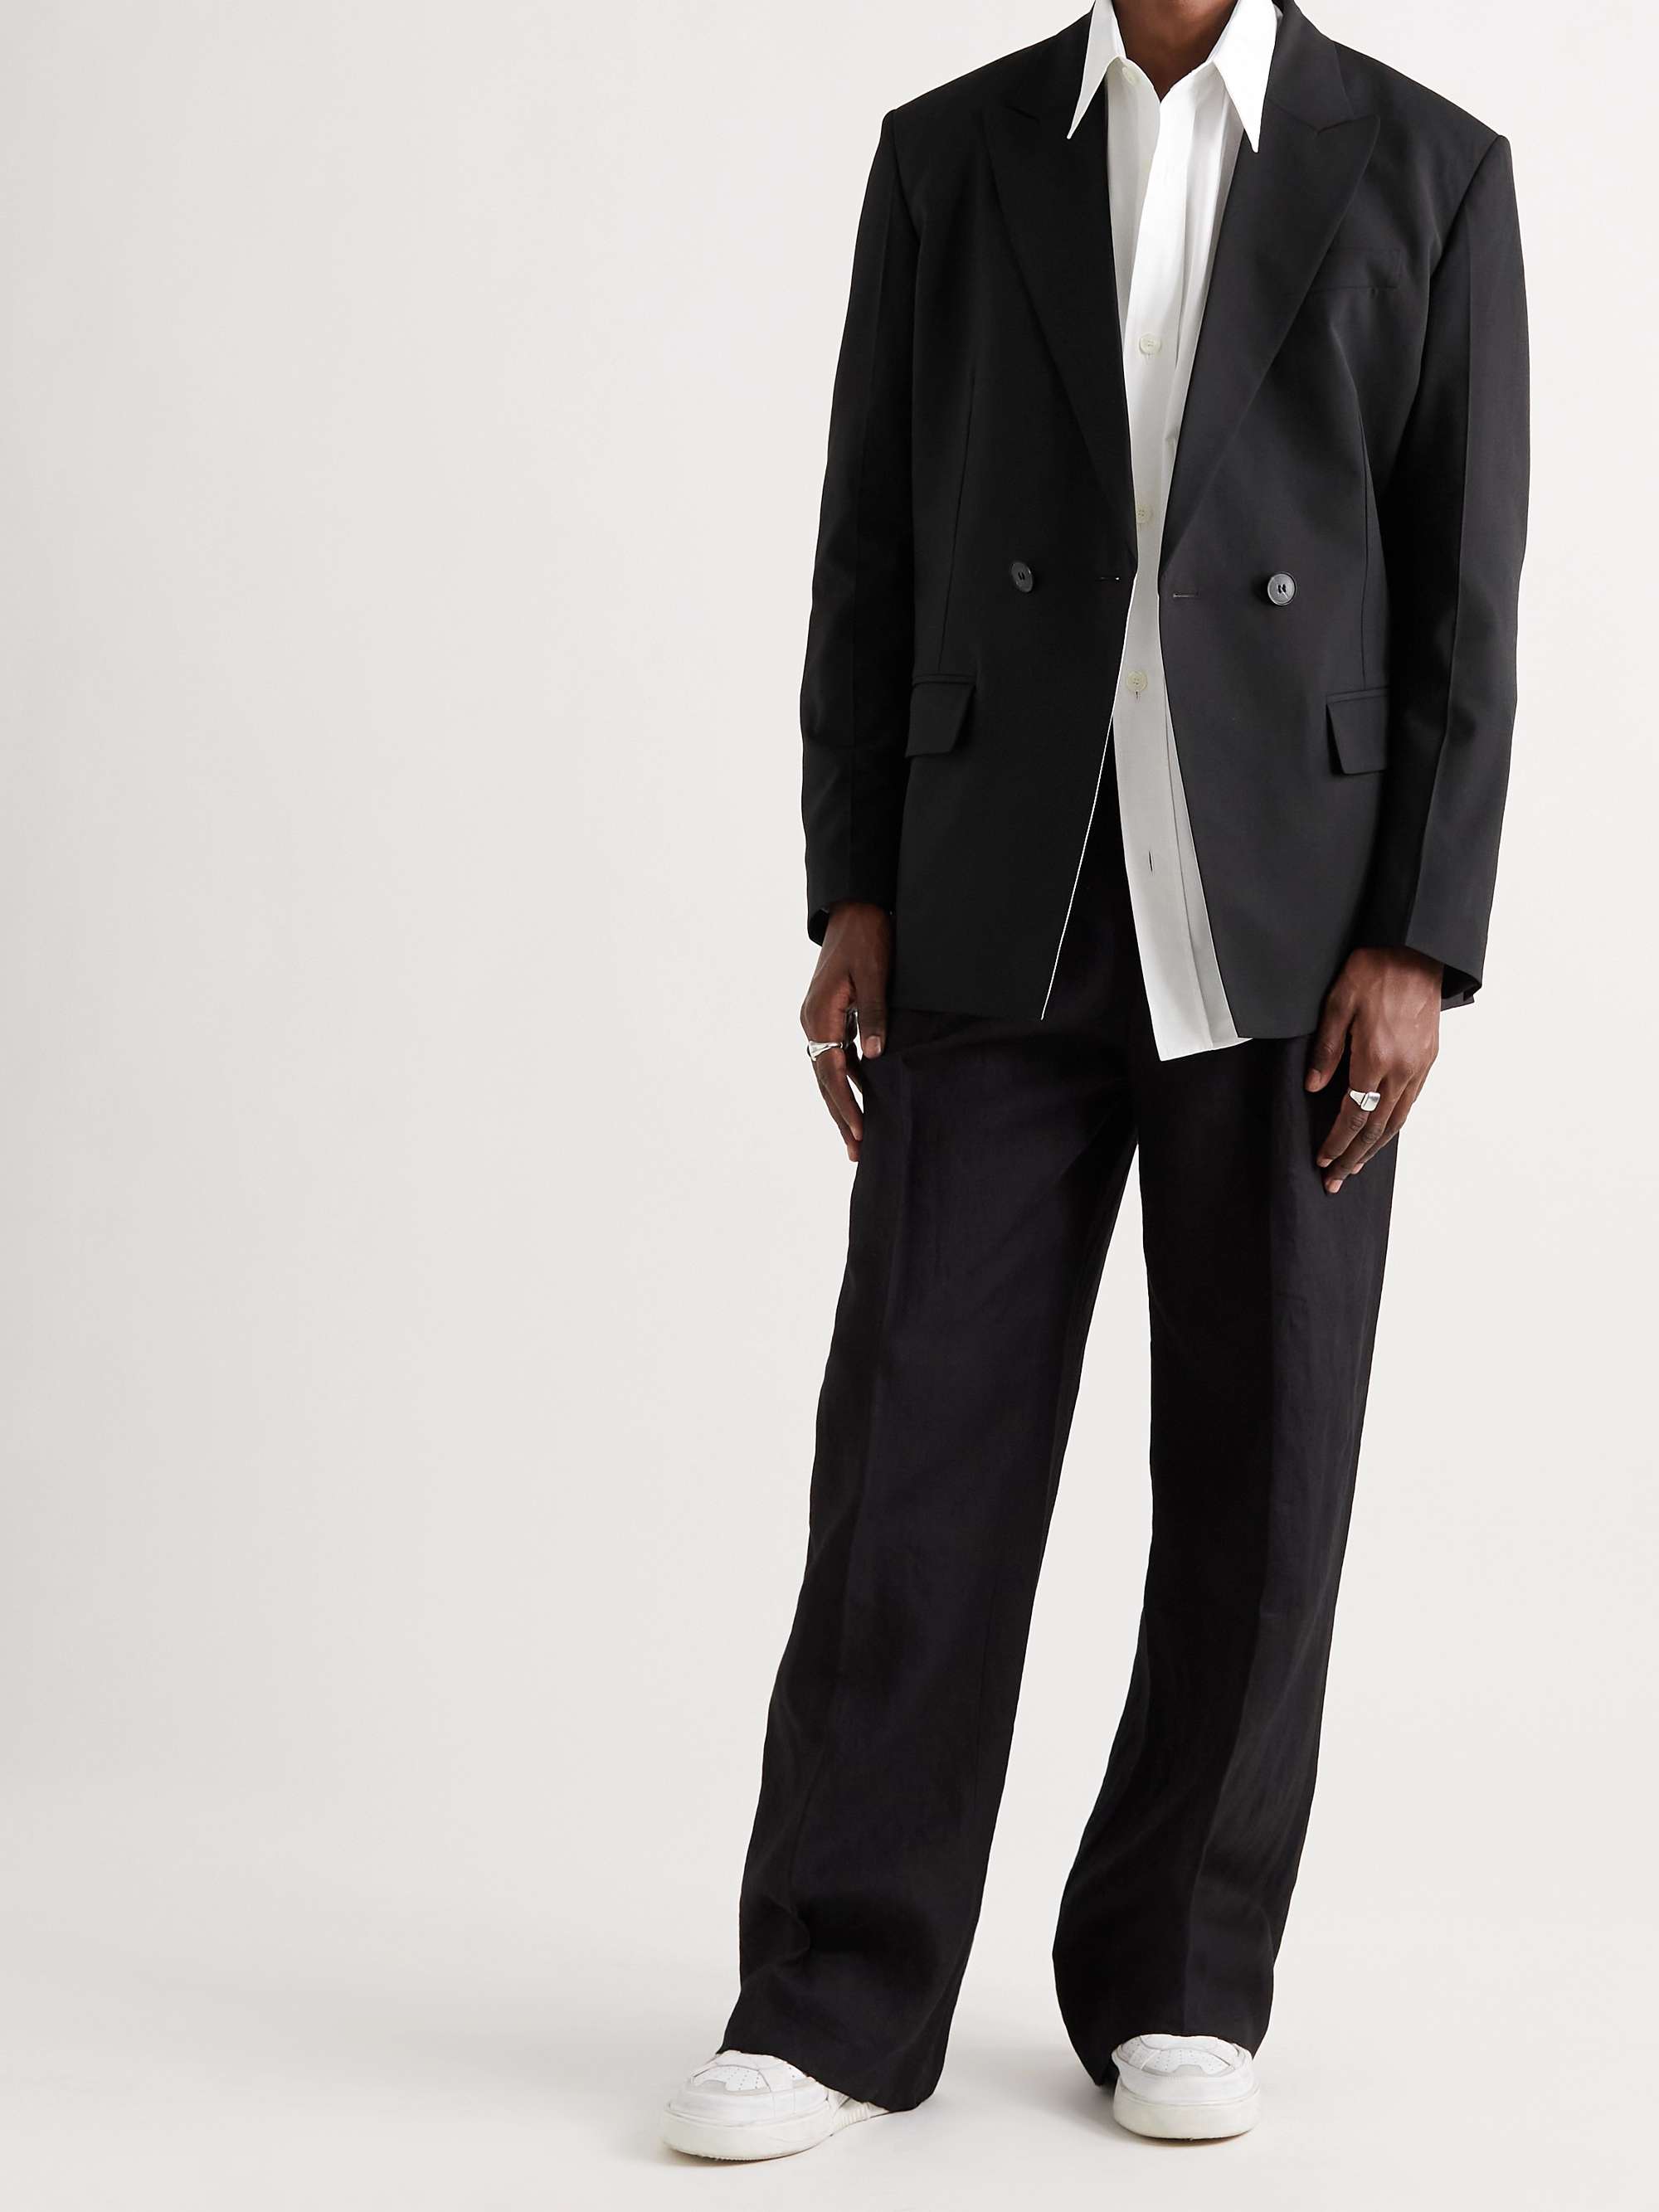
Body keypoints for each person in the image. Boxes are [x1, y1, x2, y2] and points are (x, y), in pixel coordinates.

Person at [662, 0, 1526, 2161]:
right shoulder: (950, 155)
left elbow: (1462, 589)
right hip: (994, 892)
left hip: (1294, 921)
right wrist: (855, 884)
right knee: (914, 1453)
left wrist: (1418, 938)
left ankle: (1181, 1972)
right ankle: (834, 1992)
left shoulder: (1430, 169)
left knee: (1265, 1463)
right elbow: (871, 539)